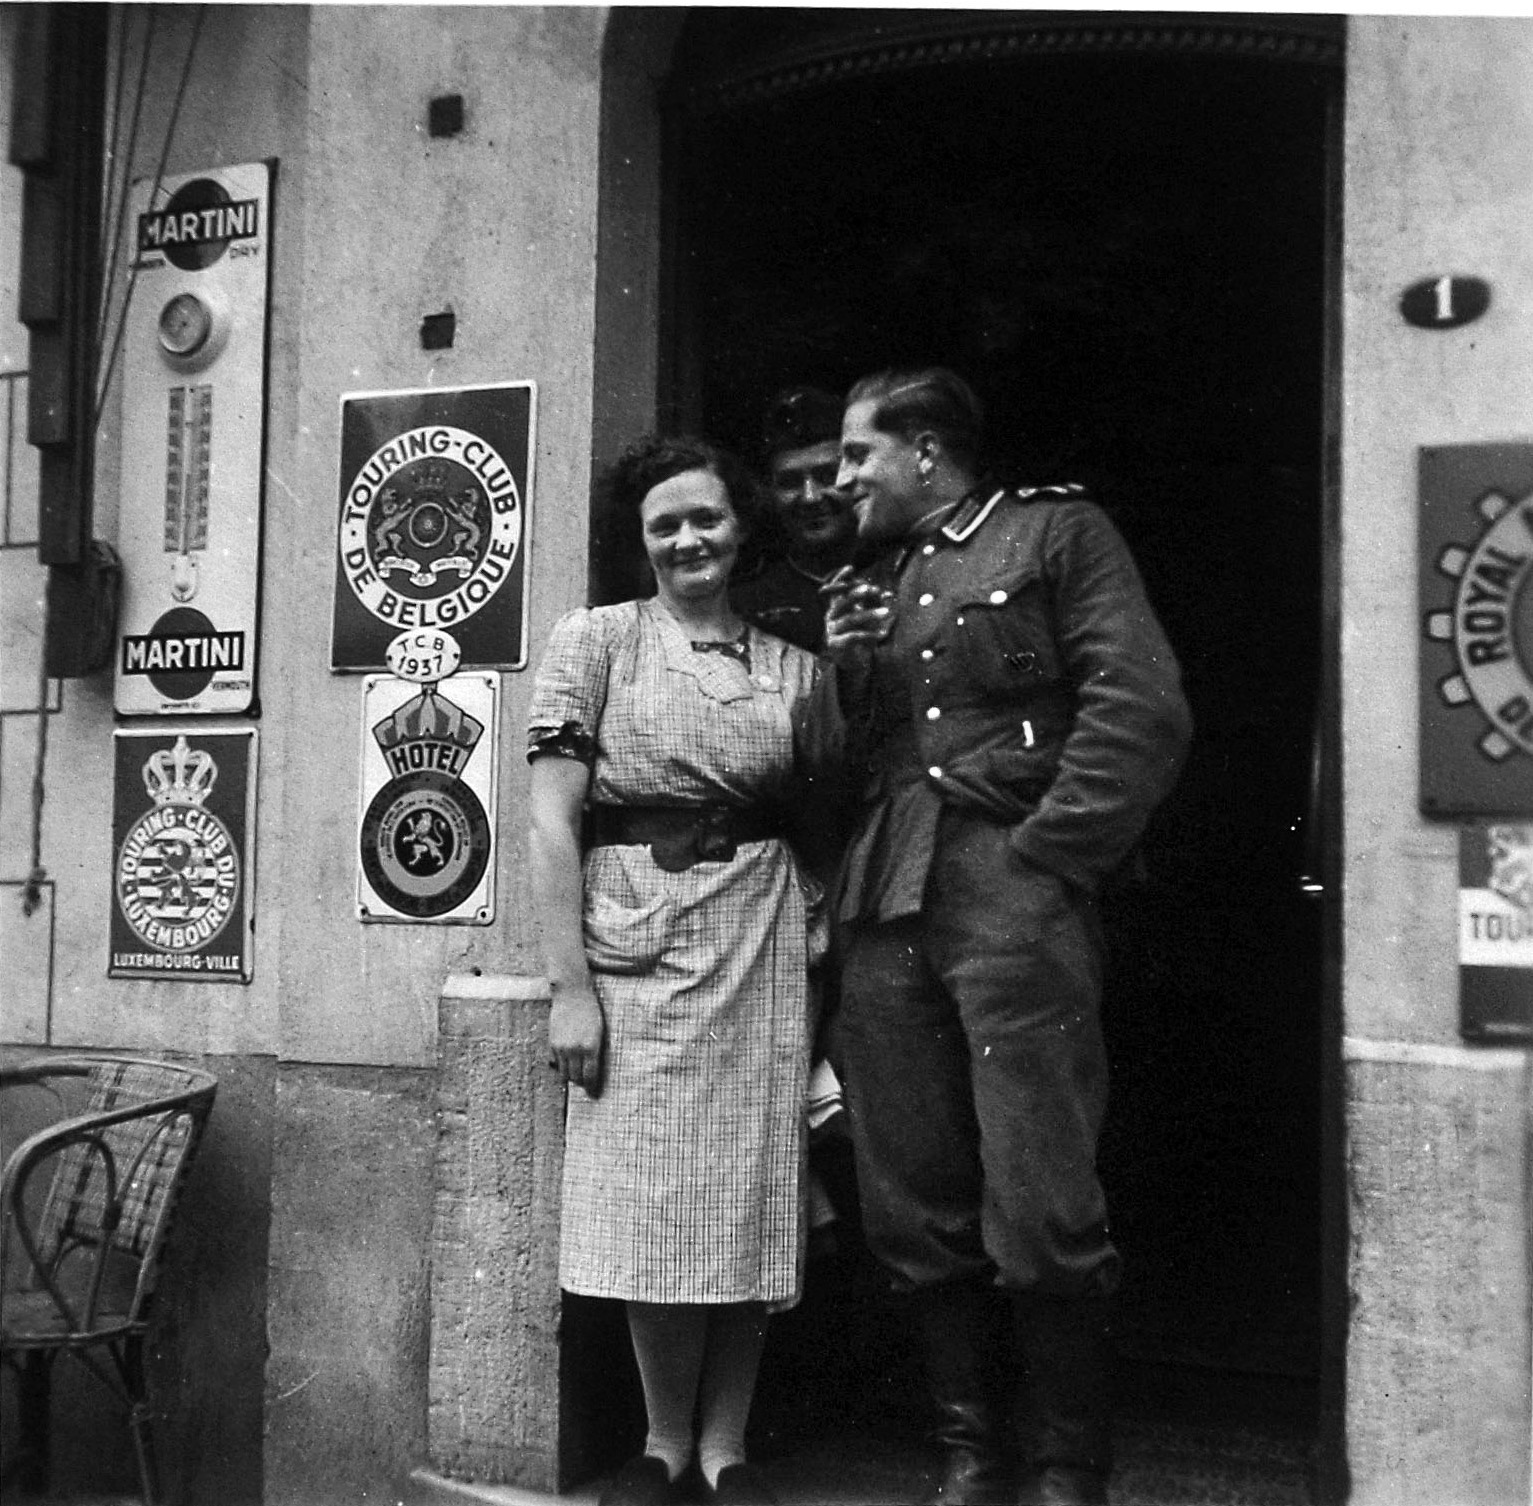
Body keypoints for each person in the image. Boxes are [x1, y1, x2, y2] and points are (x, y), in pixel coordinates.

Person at [822, 369, 1192, 1506]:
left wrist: (1049, 856)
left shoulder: (1055, 533)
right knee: (910, 1194)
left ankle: (1067, 1468)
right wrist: (841, 669)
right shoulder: (869, 586)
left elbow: (1139, 706)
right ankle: (971, 1456)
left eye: (856, 457)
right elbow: (832, 775)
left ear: (926, 453)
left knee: (1038, 1191)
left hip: (1009, 890)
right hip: (887, 904)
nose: (838, 482)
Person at [526, 435, 830, 1506]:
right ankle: (662, 1445)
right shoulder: (597, 640)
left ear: (740, 526)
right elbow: (553, 820)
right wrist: (571, 986)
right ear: (642, 540)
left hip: (756, 943)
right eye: (665, 524)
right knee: (657, 1205)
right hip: (635, 953)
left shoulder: (797, 667)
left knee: (743, 1198)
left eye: (705, 517)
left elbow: (823, 816)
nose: (688, 538)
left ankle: (724, 1450)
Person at [732, 385, 857, 653]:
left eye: (827, 476)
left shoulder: (899, 578)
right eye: (789, 482)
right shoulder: (744, 605)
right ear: (769, 491)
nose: (810, 497)